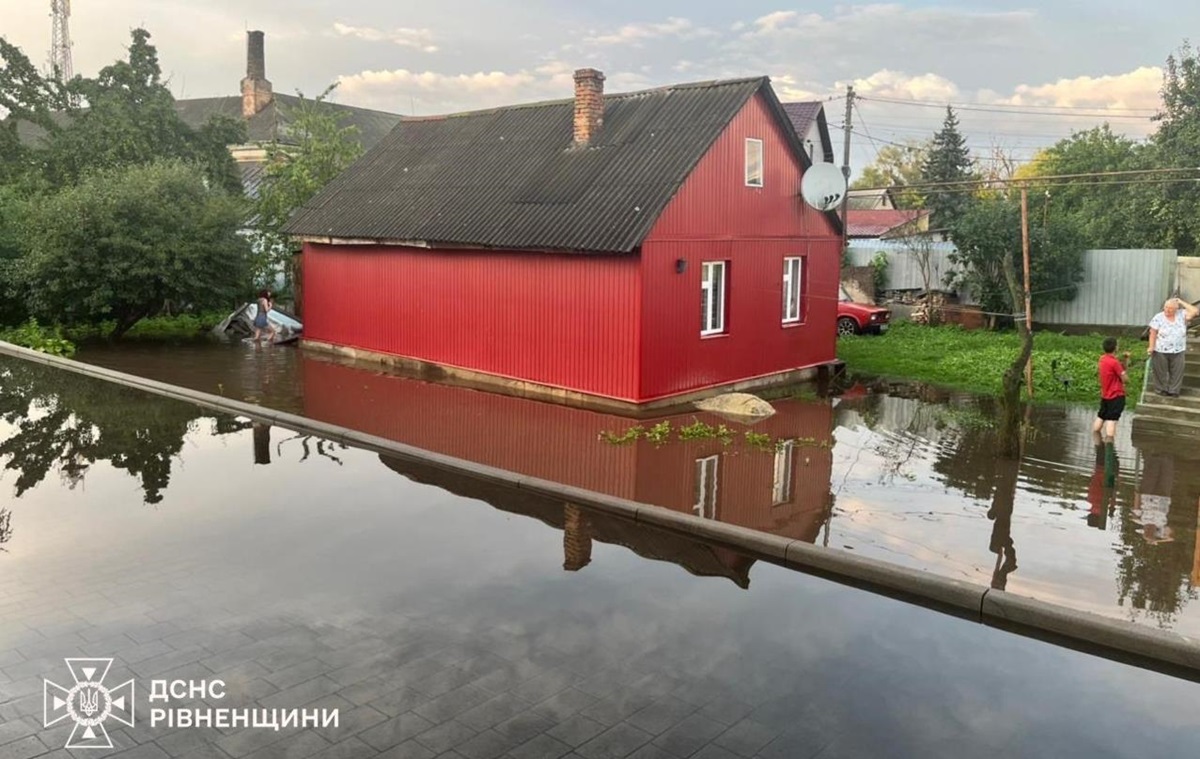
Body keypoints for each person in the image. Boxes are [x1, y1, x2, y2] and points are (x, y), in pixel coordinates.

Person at [1147, 296, 1199, 396]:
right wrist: (1151, 347)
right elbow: (1152, 333)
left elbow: (1195, 311)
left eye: (1170, 308)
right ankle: (1161, 389)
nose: (1167, 310)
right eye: (1166, 307)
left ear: (1176, 309)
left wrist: (1181, 301)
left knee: (1177, 371)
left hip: (1178, 349)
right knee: (1160, 371)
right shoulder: (1158, 317)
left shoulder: (1182, 314)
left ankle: (1174, 390)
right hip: (1160, 349)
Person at [1093, 336, 1130, 442]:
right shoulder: (1114, 363)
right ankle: (1109, 445)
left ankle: (1096, 442)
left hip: (1105, 395)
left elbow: (1120, 368)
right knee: (1112, 420)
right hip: (1116, 396)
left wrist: (1125, 360)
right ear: (1115, 347)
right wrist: (1125, 375)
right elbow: (1125, 379)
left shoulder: (1102, 359)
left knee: (1101, 416)